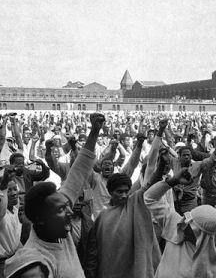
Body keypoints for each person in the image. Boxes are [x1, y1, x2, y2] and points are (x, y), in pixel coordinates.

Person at [6, 113, 105, 278]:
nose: (71, 212)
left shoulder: (56, 227)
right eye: (61, 210)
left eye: (66, 207)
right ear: (41, 220)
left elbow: (79, 171)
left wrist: (94, 131)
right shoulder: (35, 265)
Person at [144, 168, 216, 278]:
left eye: (190, 224)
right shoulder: (176, 225)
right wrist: (173, 181)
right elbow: (150, 198)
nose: (184, 222)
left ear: (202, 235)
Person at [84, 172, 161, 278]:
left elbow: (149, 187)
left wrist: (161, 166)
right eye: (119, 192)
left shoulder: (135, 206)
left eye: (126, 191)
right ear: (110, 192)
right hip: (108, 272)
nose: (124, 195)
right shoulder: (102, 217)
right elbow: (93, 251)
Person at [0, 168, 22, 278]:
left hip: (14, 260)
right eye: (9, 190)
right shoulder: (1, 213)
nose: (14, 193)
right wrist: (3, 184)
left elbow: (16, 240)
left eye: (15, 189)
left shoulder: (15, 209)